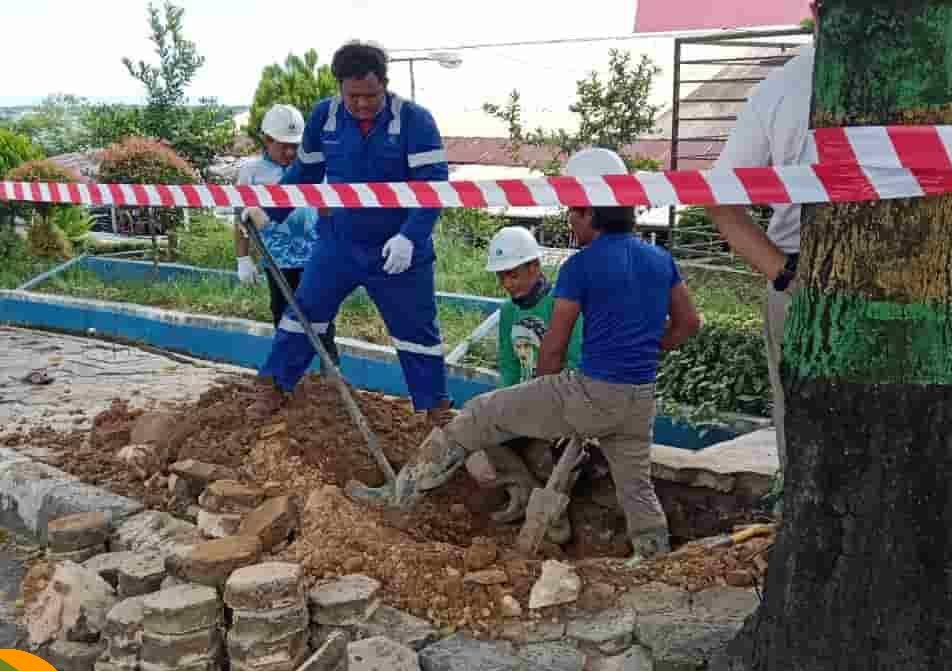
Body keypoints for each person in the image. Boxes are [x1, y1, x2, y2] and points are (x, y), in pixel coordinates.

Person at [706, 1, 952, 533]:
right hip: (914, 290)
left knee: (813, 426)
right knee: (942, 411)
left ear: (817, 11)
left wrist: (784, 272)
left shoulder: (782, 87)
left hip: (810, 288)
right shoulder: (949, 80)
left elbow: (721, 202)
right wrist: (919, 261)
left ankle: (821, 544)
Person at [362, 148, 703, 564]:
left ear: (589, 210)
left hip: (591, 392)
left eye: (572, 213)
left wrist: (541, 394)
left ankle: (399, 495)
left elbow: (554, 347)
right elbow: (688, 323)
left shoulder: (581, 266)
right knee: (636, 486)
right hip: (639, 397)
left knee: (481, 413)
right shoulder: (660, 259)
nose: (570, 221)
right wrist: (648, 352)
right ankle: (655, 560)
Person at [248, 41, 453, 424]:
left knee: (417, 332)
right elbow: (304, 175)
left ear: (385, 85)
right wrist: (268, 211)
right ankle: (272, 386)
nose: (361, 104)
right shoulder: (324, 117)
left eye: (370, 95)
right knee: (303, 316)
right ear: (339, 87)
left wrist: (411, 236)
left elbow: (433, 187)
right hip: (338, 246)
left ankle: (435, 409)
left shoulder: (415, 121)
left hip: (398, 252)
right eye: (352, 96)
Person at [471, 226, 588, 545]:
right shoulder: (508, 312)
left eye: (513, 275)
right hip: (525, 402)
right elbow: (509, 366)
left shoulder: (560, 305)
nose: (507, 284)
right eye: (502, 277)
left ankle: (553, 518)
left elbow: (577, 362)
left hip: (558, 404)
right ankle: (522, 496)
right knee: (480, 434)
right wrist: (504, 404)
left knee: (552, 458)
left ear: (535, 267)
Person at [239, 104, 338, 366]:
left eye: (295, 145)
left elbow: (328, 210)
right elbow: (241, 219)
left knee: (322, 318)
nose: (290, 152)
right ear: (267, 140)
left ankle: (330, 376)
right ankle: (286, 378)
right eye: (284, 145)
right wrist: (243, 258)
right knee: (284, 321)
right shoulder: (252, 172)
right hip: (278, 262)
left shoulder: (314, 170)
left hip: (316, 257)